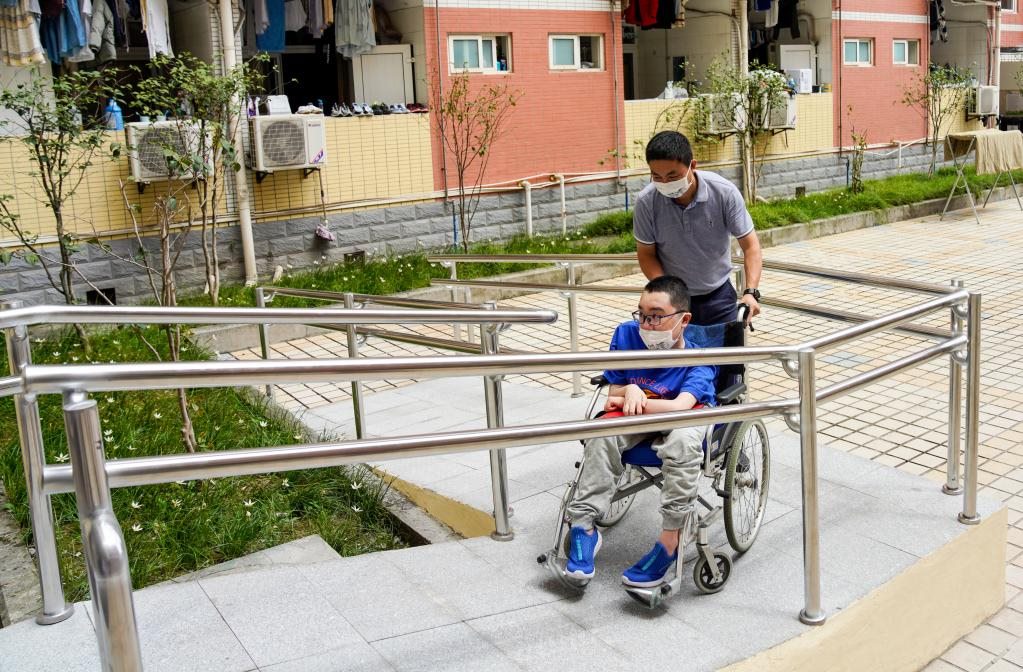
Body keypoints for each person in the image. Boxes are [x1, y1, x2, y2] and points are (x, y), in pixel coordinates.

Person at [565, 275, 717, 588]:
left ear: (684, 320)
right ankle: (584, 527)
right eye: (642, 315)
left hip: (684, 415)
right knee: (602, 432)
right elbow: (613, 393)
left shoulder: (700, 359)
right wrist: (629, 390)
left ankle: (671, 539)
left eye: (657, 316)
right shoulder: (626, 334)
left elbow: (679, 407)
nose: (646, 325)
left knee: (683, 443)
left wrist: (630, 398)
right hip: (641, 412)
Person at [634, 130, 764, 327]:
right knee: (676, 348)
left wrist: (751, 292)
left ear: (692, 166)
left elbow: (751, 246)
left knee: (727, 346)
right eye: (657, 176)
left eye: (673, 176)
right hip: (673, 300)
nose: (665, 183)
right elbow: (646, 254)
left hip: (719, 295)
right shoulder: (647, 202)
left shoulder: (724, 193)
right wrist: (666, 292)